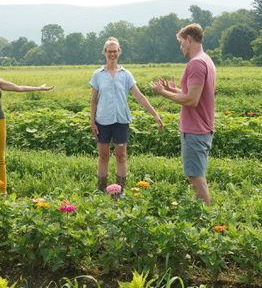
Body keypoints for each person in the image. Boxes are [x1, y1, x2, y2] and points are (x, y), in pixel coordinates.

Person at [0, 48, 54, 195]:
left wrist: (39, 88)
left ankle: (2, 193)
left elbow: (17, 88)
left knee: (0, 159)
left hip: (0, 121)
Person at [150, 23, 216, 206]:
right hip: (202, 127)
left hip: (195, 129)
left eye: (181, 43)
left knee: (196, 177)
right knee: (196, 175)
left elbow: (192, 101)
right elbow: (195, 94)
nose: (181, 47)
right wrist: (175, 89)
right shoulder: (206, 60)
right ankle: (204, 215)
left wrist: (162, 93)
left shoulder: (195, 63)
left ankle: (205, 218)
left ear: (189, 39)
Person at [90, 37, 163, 194]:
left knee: (121, 157)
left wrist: (155, 115)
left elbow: (140, 97)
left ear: (119, 52)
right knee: (103, 157)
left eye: (115, 51)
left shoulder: (126, 74)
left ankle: (119, 191)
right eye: (109, 51)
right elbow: (94, 100)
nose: (112, 54)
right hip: (102, 121)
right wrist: (92, 121)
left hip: (121, 121)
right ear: (105, 53)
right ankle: (101, 190)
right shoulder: (98, 74)